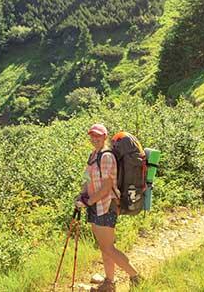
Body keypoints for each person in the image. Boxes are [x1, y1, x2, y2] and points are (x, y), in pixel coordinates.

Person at [75, 123, 142, 291]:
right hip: (95, 205)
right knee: (104, 248)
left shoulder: (106, 157)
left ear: (105, 137)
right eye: (92, 135)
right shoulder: (93, 155)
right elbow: (87, 179)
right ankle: (109, 282)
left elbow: (106, 188)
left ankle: (135, 276)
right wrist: (81, 195)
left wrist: (87, 201)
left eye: (98, 136)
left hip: (105, 206)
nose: (94, 138)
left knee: (108, 248)